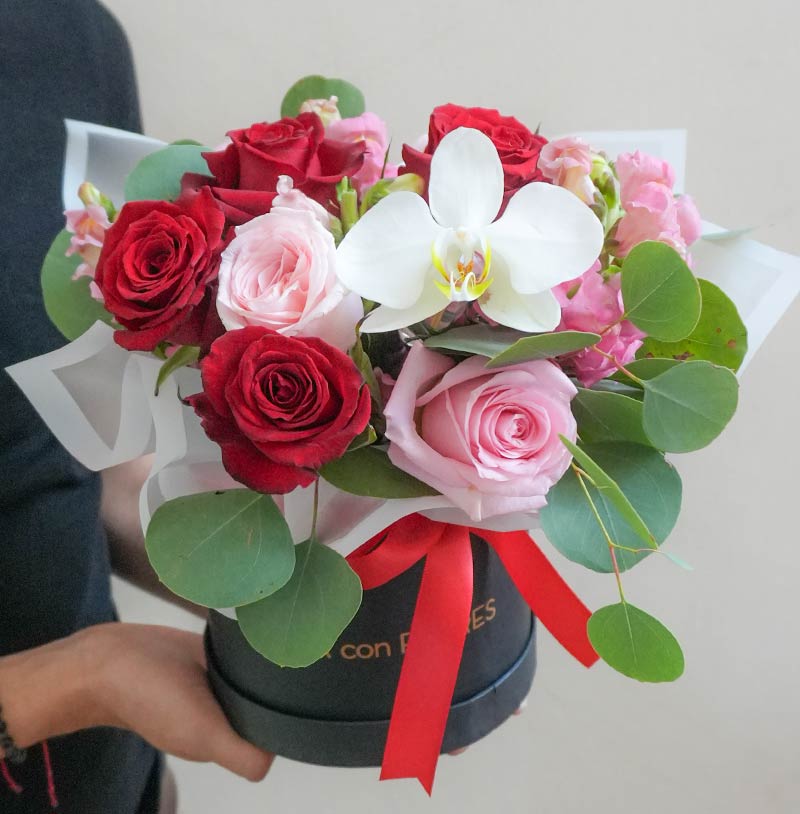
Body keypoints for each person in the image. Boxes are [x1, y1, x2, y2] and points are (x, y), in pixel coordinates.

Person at [0, 1, 272, 811]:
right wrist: (72, 684)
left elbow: (80, 465)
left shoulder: (65, 38)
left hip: (112, 788)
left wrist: (333, 600)